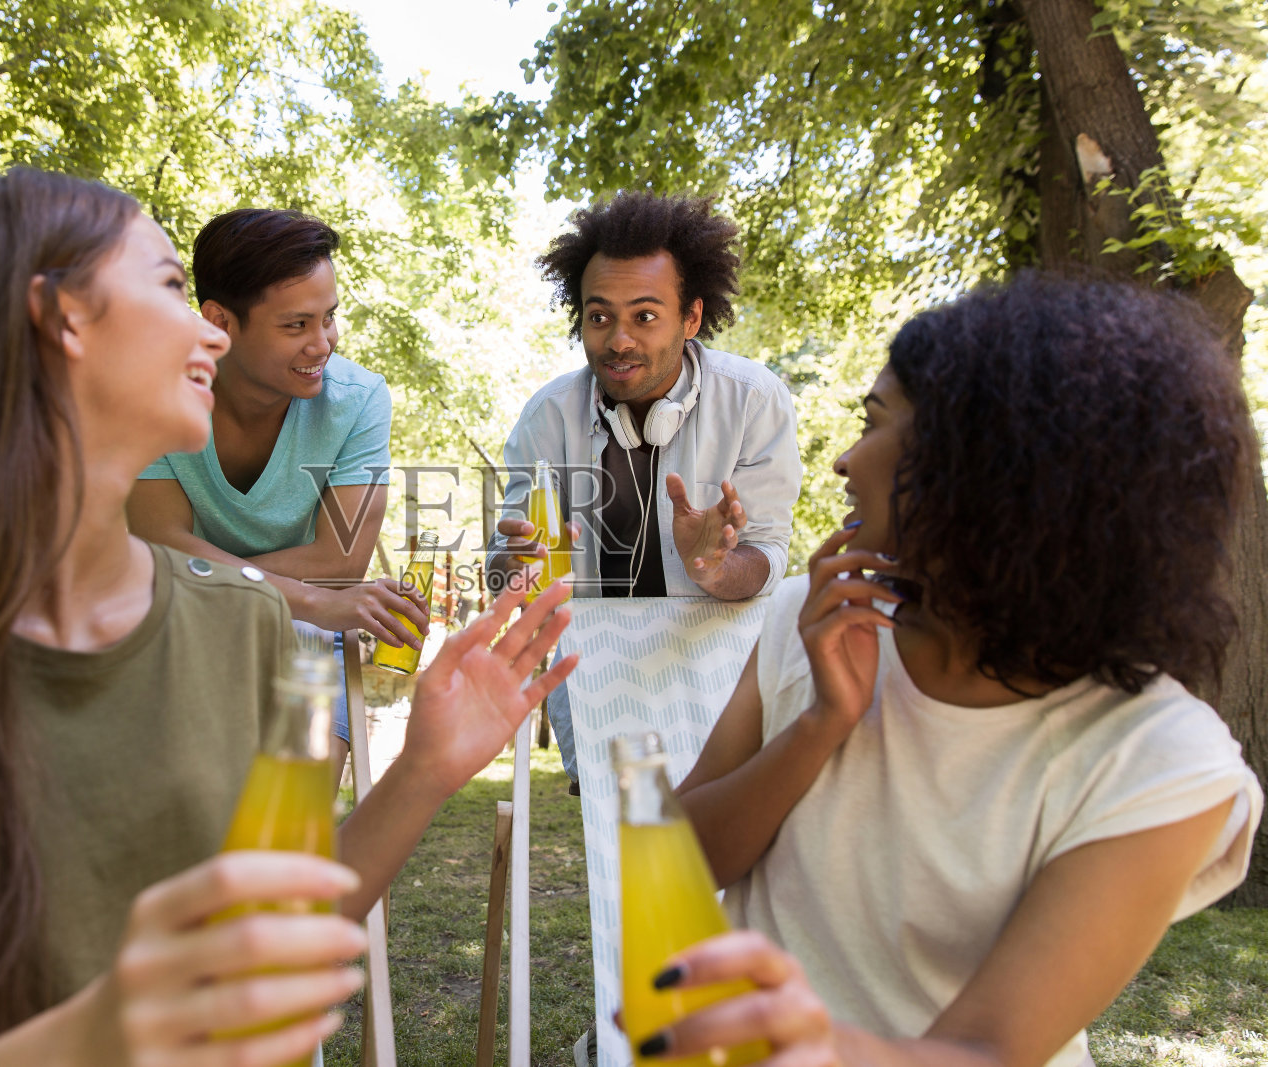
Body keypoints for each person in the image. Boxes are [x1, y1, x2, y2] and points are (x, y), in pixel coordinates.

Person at [0, 169, 577, 1067]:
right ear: (62, 318)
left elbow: (270, 936)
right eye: (172, 288)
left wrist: (423, 771)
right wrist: (107, 1029)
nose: (209, 333)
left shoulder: (240, 624)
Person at [635, 275, 1262, 1065]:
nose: (844, 460)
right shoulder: (812, 618)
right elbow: (673, 863)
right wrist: (819, 727)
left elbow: (988, 1049)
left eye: (873, 423)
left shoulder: (1162, 758)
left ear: (985, 468)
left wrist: (814, 1045)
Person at [486, 191, 803, 787]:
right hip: (597, 696)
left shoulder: (754, 400)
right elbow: (506, 576)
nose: (619, 340)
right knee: (617, 847)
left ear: (692, 318)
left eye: (645, 316)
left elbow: (768, 555)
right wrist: (513, 566)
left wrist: (714, 568)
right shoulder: (547, 418)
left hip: (723, 694)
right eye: (599, 316)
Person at [127, 207, 427, 773]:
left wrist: (200, 574)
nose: (323, 343)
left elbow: (339, 561)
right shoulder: (152, 391)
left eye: (329, 318)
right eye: (296, 325)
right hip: (176, 627)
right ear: (219, 321)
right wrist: (311, 597)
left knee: (296, 806)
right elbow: (160, 547)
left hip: (294, 634)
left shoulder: (359, 400)